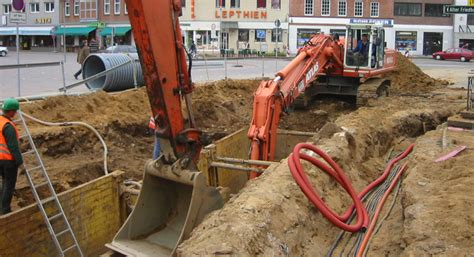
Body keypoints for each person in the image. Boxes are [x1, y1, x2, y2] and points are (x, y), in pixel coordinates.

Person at [0, 98, 23, 215]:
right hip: (8, 160)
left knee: (3, 182)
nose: (15, 113)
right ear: (11, 111)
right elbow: (13, 147)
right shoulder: (8, 126)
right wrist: (20, 162)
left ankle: (1, 207)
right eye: (14, 111)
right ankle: (4, 210)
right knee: (9, 184)